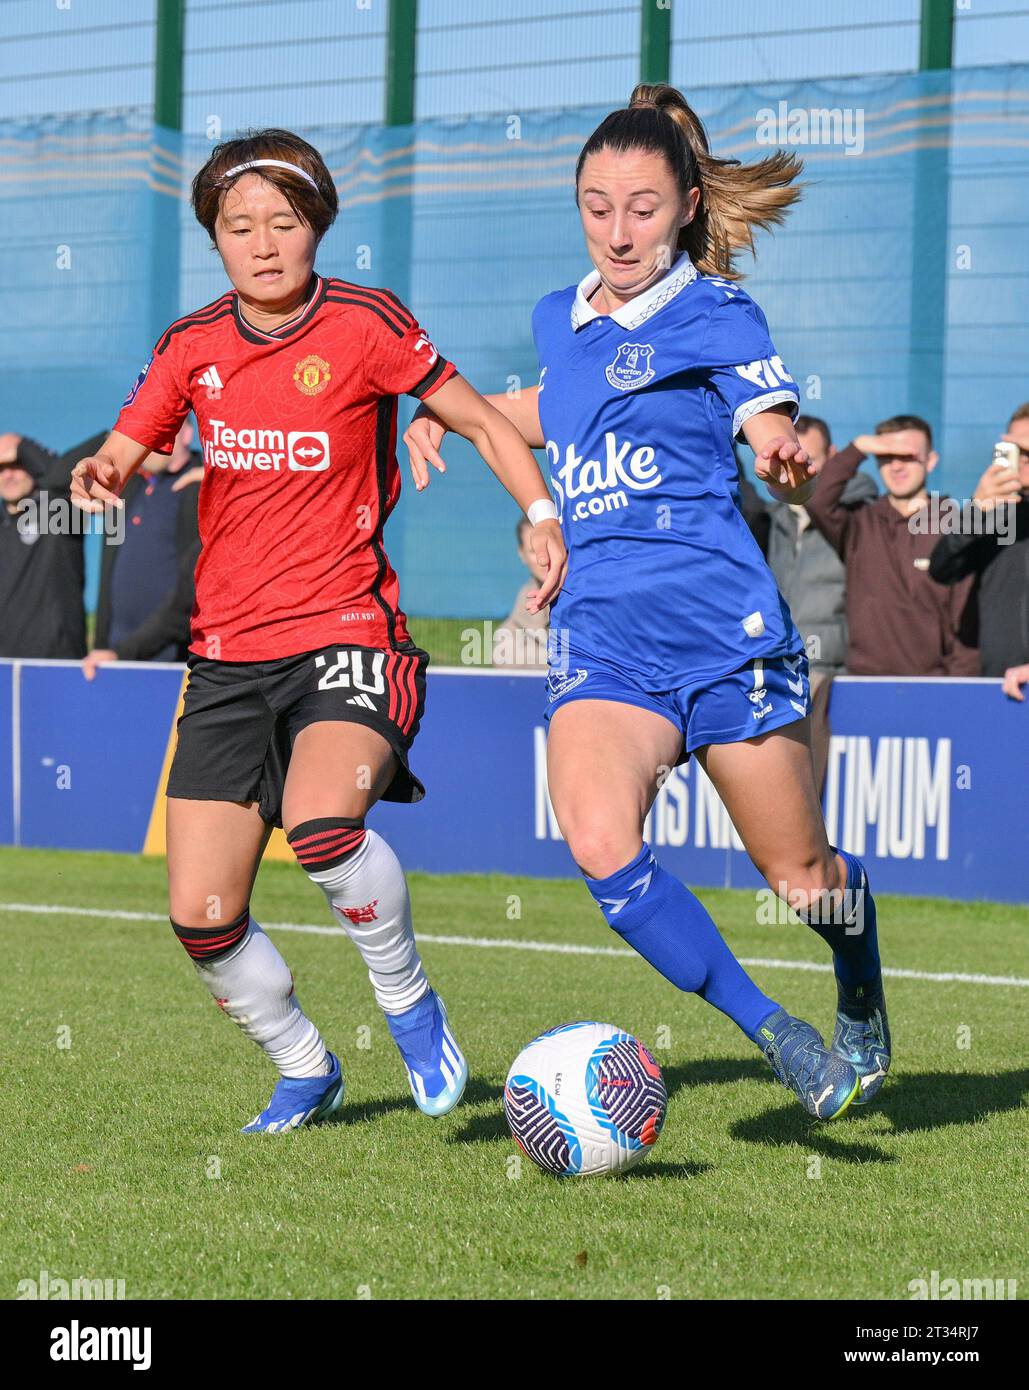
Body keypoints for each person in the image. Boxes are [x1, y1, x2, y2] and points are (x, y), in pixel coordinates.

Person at [406, 85, 890, 1120]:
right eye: (595, 205)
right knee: (597, 841)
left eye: (639, 206)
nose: (616, 230)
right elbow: (565, 405)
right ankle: (778, 1031)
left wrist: (783, 448)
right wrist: (462, 416)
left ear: (682, 208)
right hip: (605, 638)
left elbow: (766, 414)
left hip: (723, 634)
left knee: (804, 880)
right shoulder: (558, 315)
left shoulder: (717, 313)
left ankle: (857, 974)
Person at [70, 129, 566, 1133]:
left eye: (282, 224)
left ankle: (408, 1003)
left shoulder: (367, 323)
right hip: (224, 659)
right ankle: (306, 1064)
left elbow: (479, 419)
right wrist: (104, 471)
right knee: (202, 918)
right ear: (215, 239)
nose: (261, 244)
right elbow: (126, 444)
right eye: (237, 226)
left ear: (317, 229)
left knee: (325, 825)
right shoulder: (191, 346)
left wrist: (543, 515)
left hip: (349, 632)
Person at [805, 415, 978, 676]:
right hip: (864, 686)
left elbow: (967, 626)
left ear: (931, 461)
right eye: (886, 456)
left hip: (935, 688)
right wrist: (859, 448)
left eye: (907, 456)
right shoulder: (859, 525)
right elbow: (816, 500)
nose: (896, 466)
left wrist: (955, 690)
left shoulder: (955, 526)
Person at [761, 414, 876, 790]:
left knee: (797, 779)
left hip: (827, 668)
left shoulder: (859, 515)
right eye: (789, 457)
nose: (796, 468)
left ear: (834, 456)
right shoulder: (770, 519)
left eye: (808, 458)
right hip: (776, 663)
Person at [85, 420, 201, 677]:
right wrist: (104, 645)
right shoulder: (128, 487)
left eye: (166, 428)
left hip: (170, 659)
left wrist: (127, 651)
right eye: (148, 431)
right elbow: (107, 572)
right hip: (113, 657)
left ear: (187, 435)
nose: (155, 438)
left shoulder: (198, 485)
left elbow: (190, 595)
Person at [928, 403, 1029, 678]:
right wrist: (976, 511)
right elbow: (942, 569)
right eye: (1017, 451)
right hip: (1001, 682)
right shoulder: (993, 514)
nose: (1023, 461)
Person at [0, 431, 92, 659]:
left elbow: (68, 477)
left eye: (16, 464)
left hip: (58, 662)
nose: (7, 475)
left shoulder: (60, 510)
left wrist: (23, 447)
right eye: (0, 469)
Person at [491, 517, 550, 668]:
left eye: (549, 547)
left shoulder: (592, 601)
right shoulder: (508, 636)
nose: (544, 559)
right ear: (522, 554)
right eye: (533, 551)